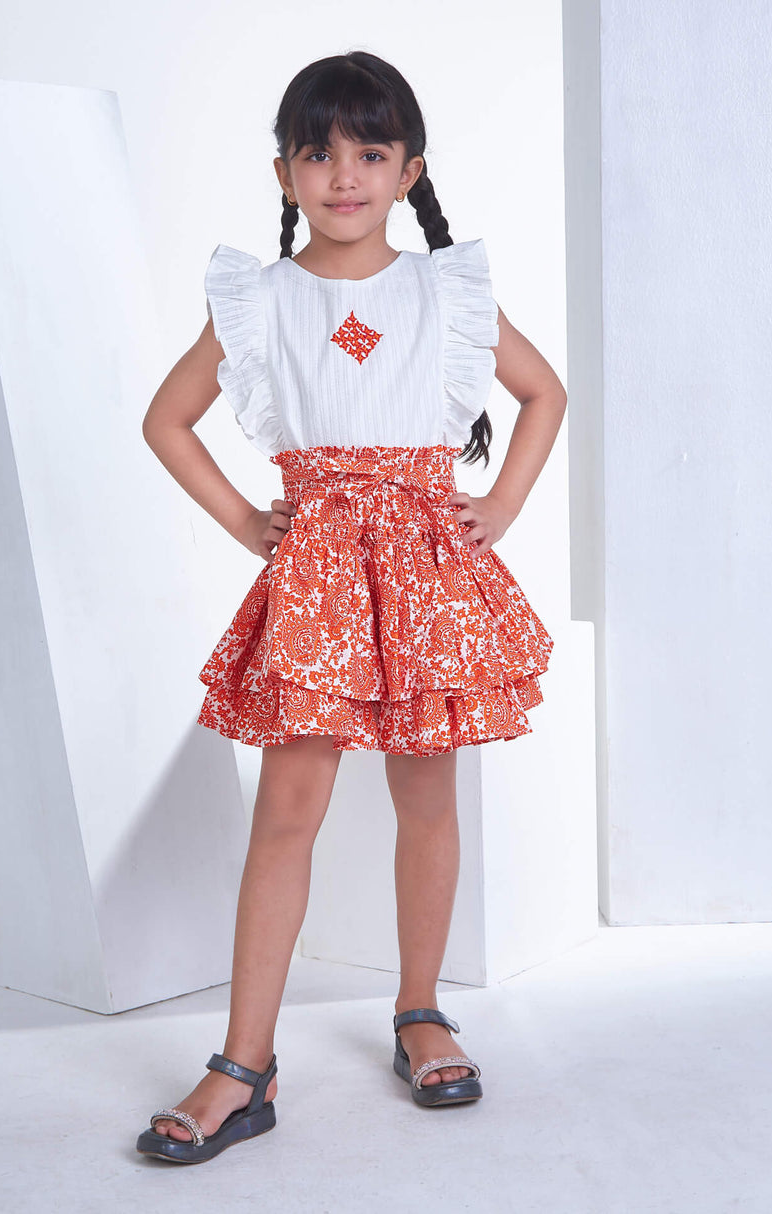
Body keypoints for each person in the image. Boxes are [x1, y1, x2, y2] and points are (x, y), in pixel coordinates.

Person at [137, 50, 565, 1164]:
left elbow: (541, 392)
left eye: (369, 153)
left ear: (407, 168)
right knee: (287, 808)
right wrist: (247, 525)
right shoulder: (262, 299)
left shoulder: (442, 289)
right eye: (316, 153)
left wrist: (499, 509)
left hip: (425, 572)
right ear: (282, 173)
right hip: (322, 575)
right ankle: (244, 1062)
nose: (342, 175)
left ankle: (418, 1010)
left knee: (426, 794)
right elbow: (165, 420)